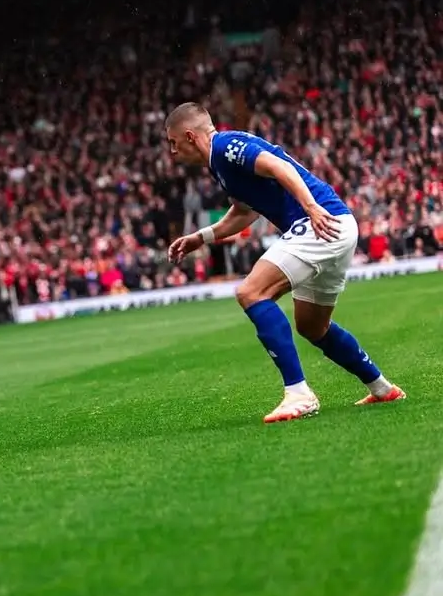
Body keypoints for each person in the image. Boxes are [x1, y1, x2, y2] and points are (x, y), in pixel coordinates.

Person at [165, 102, 405, 423]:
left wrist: (310, 207)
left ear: (190, 136)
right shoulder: (219, 164)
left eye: (173, 142)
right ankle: (381, 387)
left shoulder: (224, 146)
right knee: (312, 326)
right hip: (336, 225)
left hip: (318, 222)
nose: (172, 152)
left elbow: (280, 166)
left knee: (251, 292)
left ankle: (299, 394)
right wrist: (202, 237)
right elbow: (244, 212)